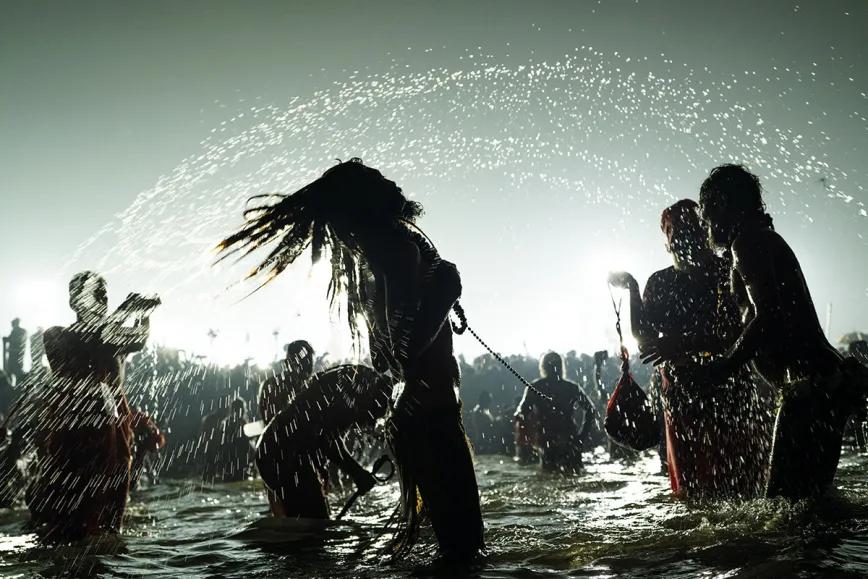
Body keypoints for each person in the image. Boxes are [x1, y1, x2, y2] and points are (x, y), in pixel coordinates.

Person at [218, 158, 484, 560]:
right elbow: (400, 353)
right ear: (366, 201)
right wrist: (445, 290)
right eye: (374, 178)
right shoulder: (397, 252)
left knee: (453, 548)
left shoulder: (386, 257)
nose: (386, 179)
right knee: (463, 553)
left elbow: (383, 354)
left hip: (426, 416)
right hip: (429, 418)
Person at [650, 164, 867, 500]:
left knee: (784, 509)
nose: (705, 226)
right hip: (821, 383)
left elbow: (769, 317)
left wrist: (723, 368)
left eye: (706, 214)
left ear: (722, 205)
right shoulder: (759, 240)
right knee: (809, 504)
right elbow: (754, 323)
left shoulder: (747, 243)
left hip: (810, 387)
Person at [609, 199, 771, 498]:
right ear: (667, 242)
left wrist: (686, 342)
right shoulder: (660, 281)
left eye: (692, 229)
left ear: (704, 232)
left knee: (742, 479)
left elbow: (746, 328)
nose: (685, 237)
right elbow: (645, 339)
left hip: (727, 381)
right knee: (693, 484)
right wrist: (632, 288)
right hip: (681, 391)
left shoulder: (726, 271)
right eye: (676, 232)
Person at [28, 271, 158, 539]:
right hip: (76, 421)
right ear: (74, 302)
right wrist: (126, 309)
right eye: (95, 294)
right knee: (71, 510)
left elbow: (139, 339)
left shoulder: (113, 336)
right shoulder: (57, 334)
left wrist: (144, 314)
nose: (103, 300)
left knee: (111, 512)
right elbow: (95, 340)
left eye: (104, 295)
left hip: (114, 421)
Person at [256, 364, 393, 519]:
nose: (373, 422)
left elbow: (318, 429)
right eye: (377, 414)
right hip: (279, 454)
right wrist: (357, 472)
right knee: (315, 522)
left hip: (277, 449)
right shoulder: (350, 392)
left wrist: (319, 464)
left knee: (314, 519)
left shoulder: (352, 381)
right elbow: (327, 442)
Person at [515, 352, 594, 473]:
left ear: (543, 367)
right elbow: (591, 410)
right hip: (569, 438)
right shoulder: (571, 388)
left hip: (547, 439)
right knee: (572, 475)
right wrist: (581, 437)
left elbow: (522, 413)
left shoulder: (536, 387)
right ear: (561, 367)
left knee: (549, 476)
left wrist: (528, 441)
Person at [3, 318, 27, 386]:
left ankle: (19, 385)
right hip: (14, 353)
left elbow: (16, 340)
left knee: (15, 369)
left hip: (16, 353)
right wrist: (7, 339)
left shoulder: (19, 331)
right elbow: (11, 339)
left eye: (12, 324)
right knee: (11, 370)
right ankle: (16, 385)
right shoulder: (15, 331)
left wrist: (7, 339)